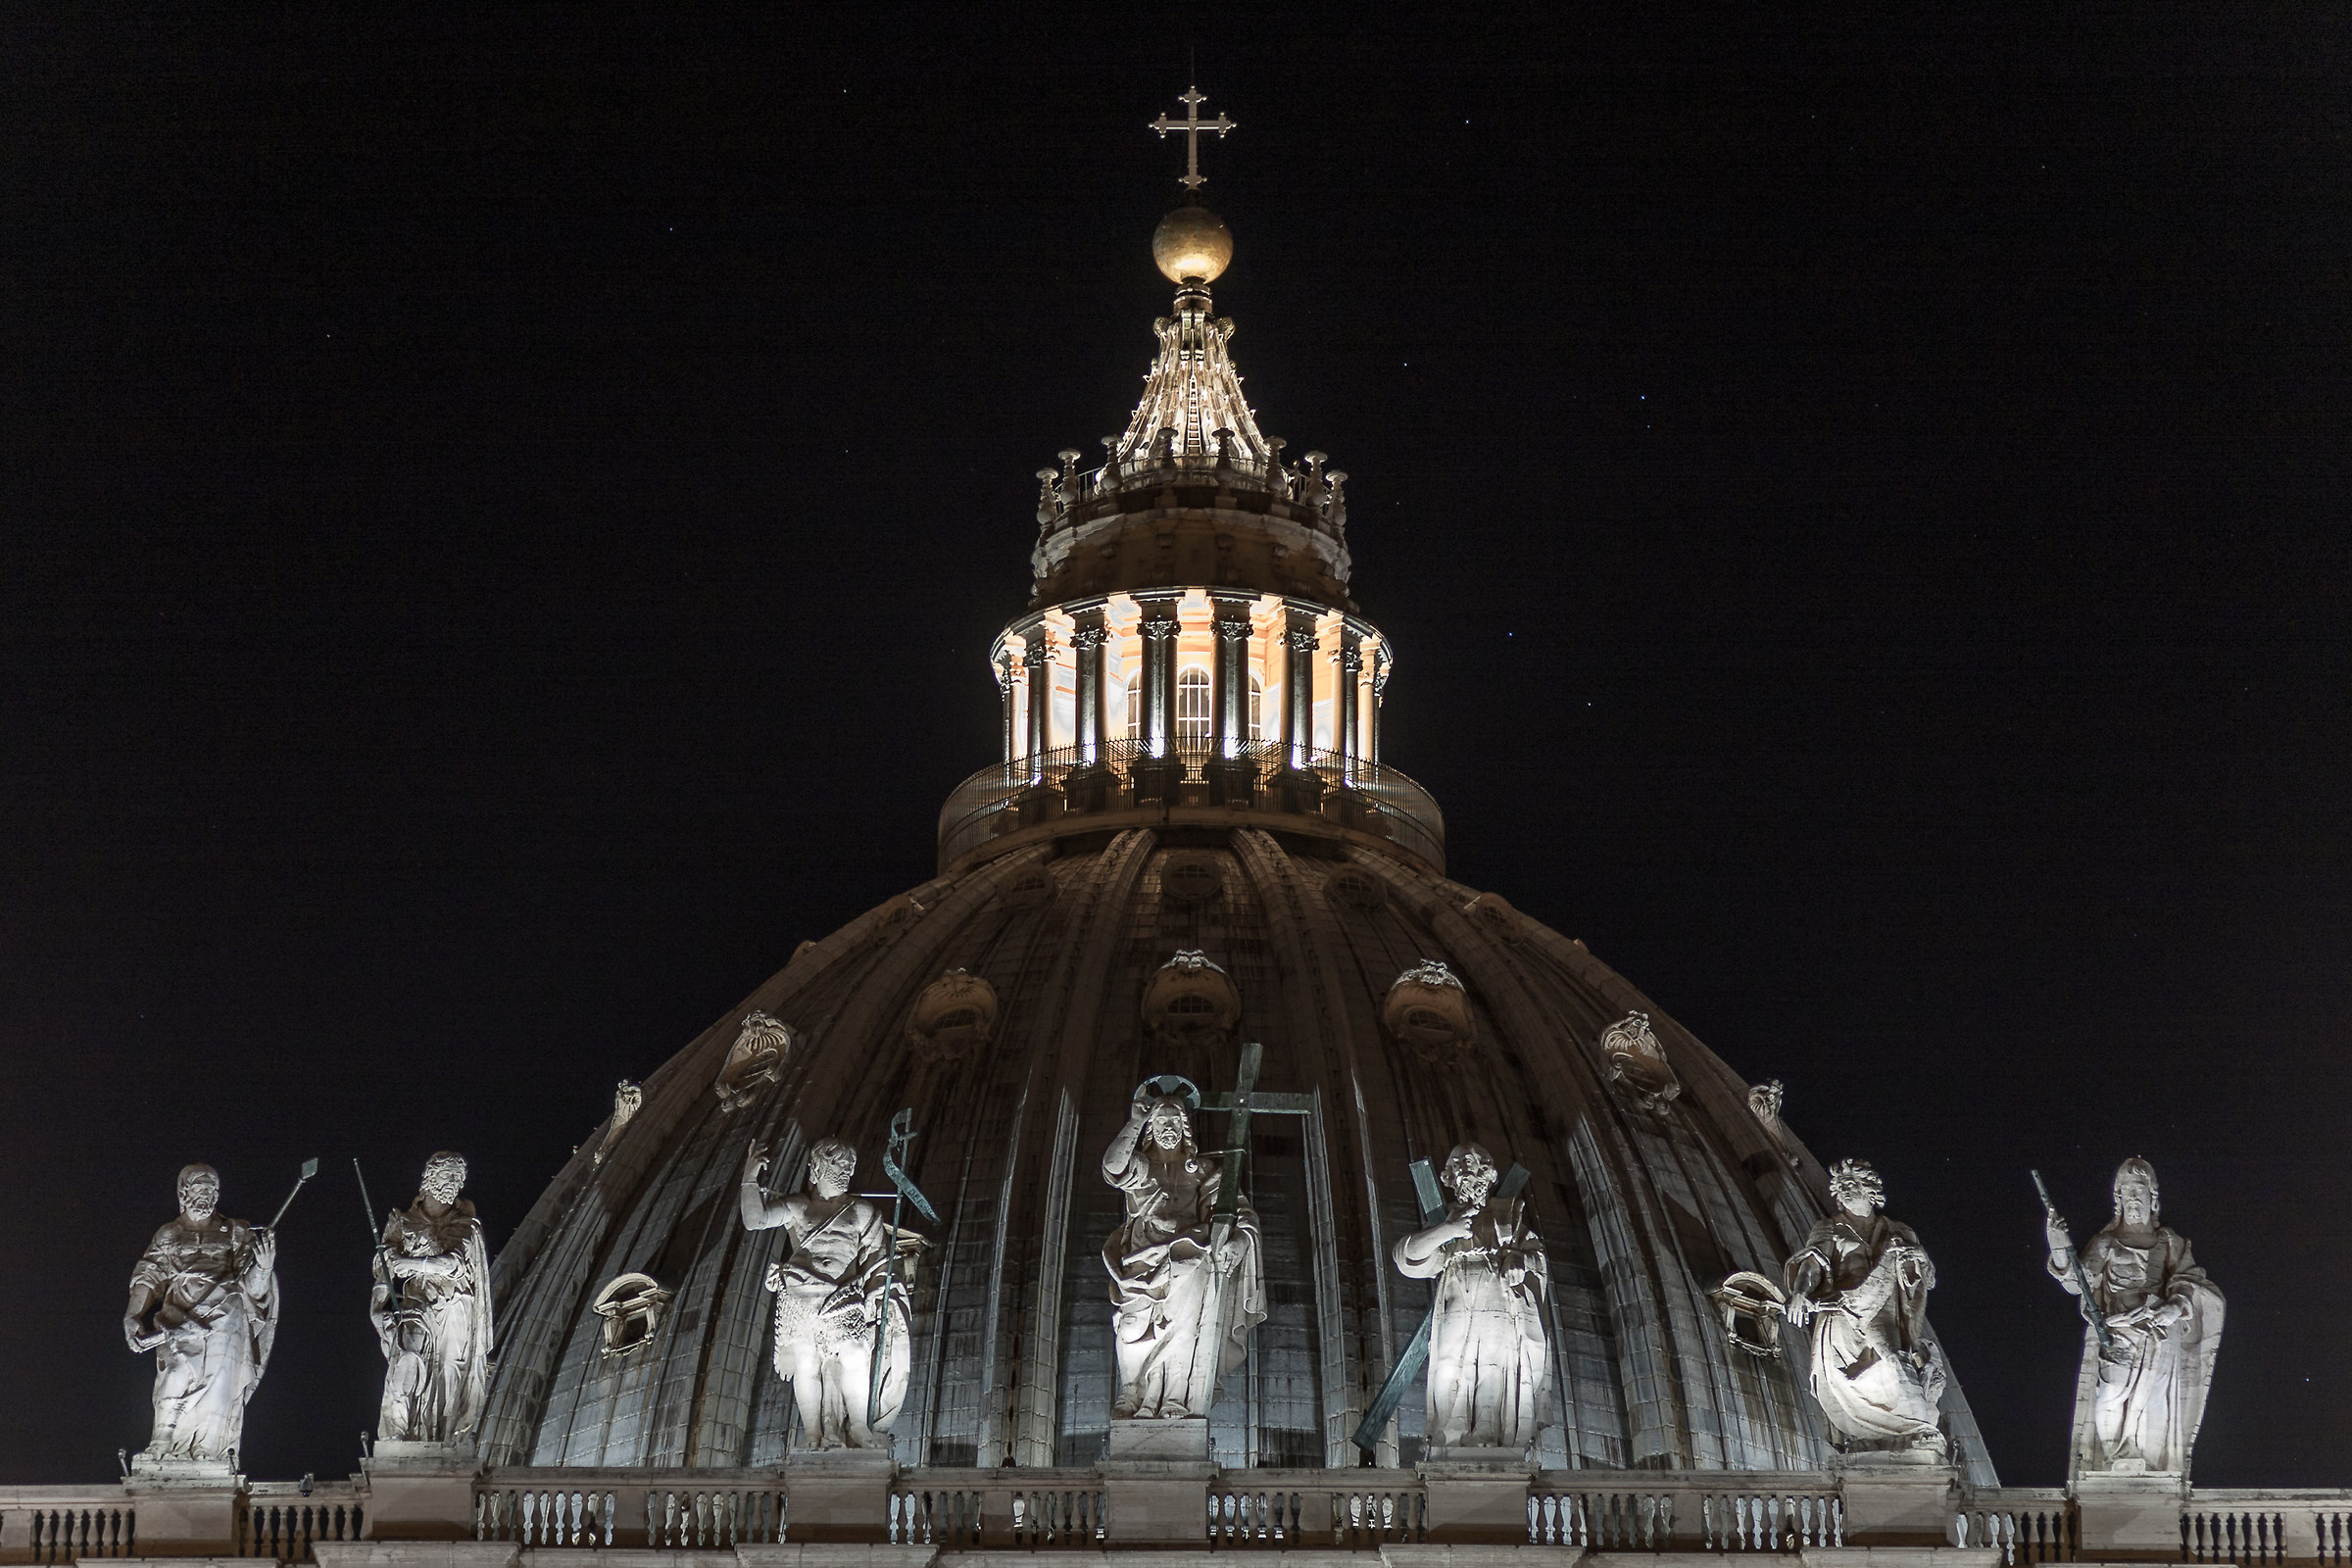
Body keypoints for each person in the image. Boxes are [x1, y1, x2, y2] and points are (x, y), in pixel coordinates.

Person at [2045, 1157, 2224, 1475]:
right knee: (2110, 1397)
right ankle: (2115, 1459)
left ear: (2153, 1197)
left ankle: (2148, 1472)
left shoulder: (2169, 1241)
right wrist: (2058, 1246)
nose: (2134, 1199)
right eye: (2127, 1192)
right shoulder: (2106, 1243)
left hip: (2159, 1336)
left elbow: (2190, 1281)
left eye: (2139, 1191)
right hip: (2117, 1332)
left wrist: (2176, 1305)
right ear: (2119, 1200)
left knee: (2154, 1408)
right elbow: (2078, 1282)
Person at [1101, 1088, 1265, 1419]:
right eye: (1159, 1120)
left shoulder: (1204, 1171)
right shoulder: (1140, 1169)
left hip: (1189, 1258)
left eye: (1174, 1119)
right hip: (1139, 1257)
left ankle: (1175, 1399)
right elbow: (1113, 1167)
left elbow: (1238, 1213)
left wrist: (1239, 1240)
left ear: (1185, 1126)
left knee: (1184, 1331)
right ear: (1150, 1126)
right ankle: (1132, 1392)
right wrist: (1134, 1123)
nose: (1167, 1126)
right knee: (1132, 1328)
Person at [740, 1136, 912, 1448]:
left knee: (856, 1354)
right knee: (806, 1362)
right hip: (801, 1293)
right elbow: (755, 1220)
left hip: (843, 1294)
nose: (846, 1170)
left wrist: (879, 1292)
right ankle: (812, 1434)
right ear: (817, 1167)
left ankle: (859, 1425)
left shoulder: (862, 1211)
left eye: (850, 1166)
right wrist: (750, 1179)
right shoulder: (797, 1206)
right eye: (838, 1164)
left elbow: (877, 1258)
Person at [1392, 1142, 1550, 1447]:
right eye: (1458, 1163)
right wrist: (1448, 1230)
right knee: (1449, 1363)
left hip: (1498, 1297)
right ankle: (1449, 1436)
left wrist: (1519, 1260)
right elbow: (1407, 1258)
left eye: (1477, 1162)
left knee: (1492, 1364)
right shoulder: (1443, 1222)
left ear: (1490, 1174)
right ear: (1447, 1177)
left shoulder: (1509, 1219)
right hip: (1457, 1296)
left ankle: (1486, 1435)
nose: (1468, 1169)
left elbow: (1536, 1254)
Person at [1784, 1158, 1946, 1454]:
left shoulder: (1898, 1231)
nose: (1844, 1192)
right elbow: (1812, 1265)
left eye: (1851, 1185)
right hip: (1846, 1315)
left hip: (1884, 1313)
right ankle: (1907, 1431)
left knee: (1895, 1365)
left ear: (1869, 1189)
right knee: (1881, 1370)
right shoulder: (1830, 1228)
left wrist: (1914, 1259)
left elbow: (1927, 1277)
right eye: (1840, 1188)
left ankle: (1914, 1429)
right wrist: (1799, 1292)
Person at [124, 1164, 278, 1465]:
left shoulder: (236, 1231)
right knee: (175, 1375)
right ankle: (162, 1443)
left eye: (212, 1190)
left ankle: (209, 1449)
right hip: (179, 1314)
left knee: (220, 1384)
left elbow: (254, 1291)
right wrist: (132, 1315)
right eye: (200, 1189)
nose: (207, 1195)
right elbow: (148, 1276)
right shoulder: (168, 1234)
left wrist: (263, 1266)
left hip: (225, 1317)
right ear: (183, 1192)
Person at [369, 1151, 493, 1445]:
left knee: (451, 1371)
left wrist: (411, 1264)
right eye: (448, 1176)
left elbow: (456, 1263)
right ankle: (398, 1430)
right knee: (407, 1357)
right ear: (429, 1177)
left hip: (455, 1305)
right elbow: (382, 1269)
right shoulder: (402, 1222)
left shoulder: (465, 1223)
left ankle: (445, 1437)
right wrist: (376, 1306)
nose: (454, 1183)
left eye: (458, 1178)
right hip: (416, 1305)